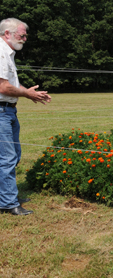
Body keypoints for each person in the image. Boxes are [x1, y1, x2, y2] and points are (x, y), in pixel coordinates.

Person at [0, 18, 52, 216]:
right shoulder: (1, 52)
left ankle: (6, 195)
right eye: (22, 35)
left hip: (8, 110)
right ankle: (7, 203)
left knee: (14, 155)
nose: (25, 39)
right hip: (1, 111)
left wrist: (31, 93)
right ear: (7, 34)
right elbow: (2, 87)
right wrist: (27, 94)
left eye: (25, 35)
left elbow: (11, 84)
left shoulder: (8, 53)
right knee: (6, 158)